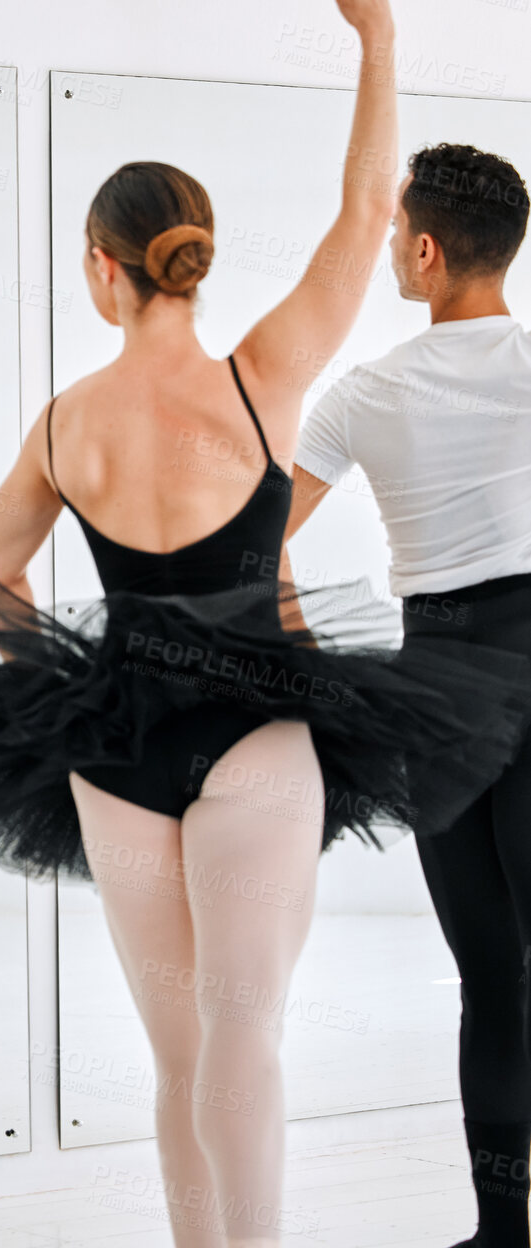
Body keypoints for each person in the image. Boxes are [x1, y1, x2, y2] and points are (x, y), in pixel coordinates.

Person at [0, 4, 531, 1243]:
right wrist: (377, 42)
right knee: (244, 1038)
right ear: (193, 257)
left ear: (101, 269)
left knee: (174, 1056)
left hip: (116, 746)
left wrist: (57, 689)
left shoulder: (65, 423)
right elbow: (367, 207)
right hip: (255, 736)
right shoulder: (261, 378)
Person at [286, 141, 531, 1248]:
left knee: (490, 979)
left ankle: (497, 1231)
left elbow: (249, 550)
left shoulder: (365, 394)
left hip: (434, 686)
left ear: (425, 253)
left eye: (393, 233)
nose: (389, 246)